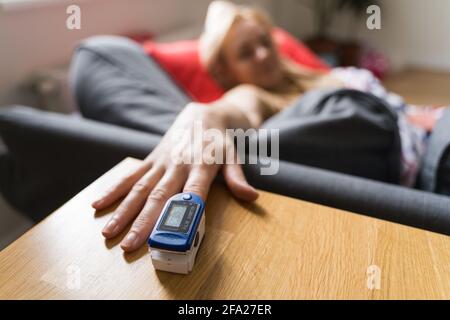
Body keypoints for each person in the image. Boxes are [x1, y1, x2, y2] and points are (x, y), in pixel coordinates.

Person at [82, 1, 439, 252]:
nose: (264, 55)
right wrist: (201, 116)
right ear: (224, 72)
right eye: (246, 52)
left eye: (265, 43)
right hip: (429, 159)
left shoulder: (334, 77)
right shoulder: (261, 99)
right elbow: (237, 107)